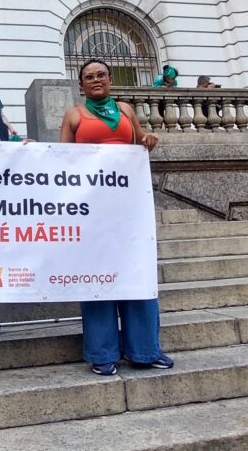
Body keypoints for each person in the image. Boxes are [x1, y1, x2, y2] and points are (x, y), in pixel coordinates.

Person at [59, 58, 173, 376]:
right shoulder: (74, 116)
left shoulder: (125, 110)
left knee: (136, 274)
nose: (96, 80)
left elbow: (139, 142)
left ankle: (145, 349)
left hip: (129, 209)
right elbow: (60, 162)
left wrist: (148, 140)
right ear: (81, 85)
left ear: (110, 79)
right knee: (97, 277)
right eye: (89, 77)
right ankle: (102, 352)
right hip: (92, 211)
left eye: (101, 75)